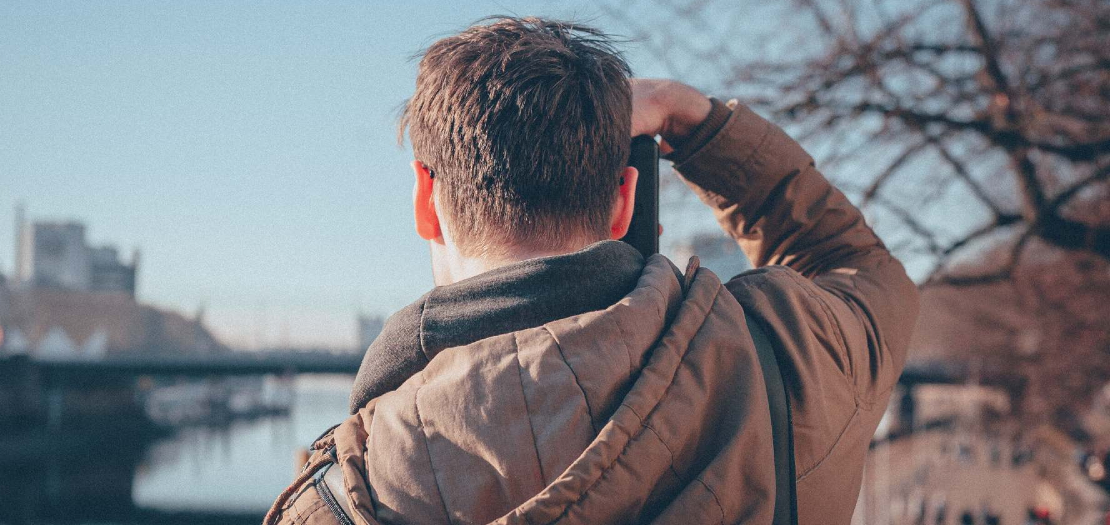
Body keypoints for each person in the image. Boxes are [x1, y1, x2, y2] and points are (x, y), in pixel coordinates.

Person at [266, 16, 918, 525]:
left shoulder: (341, 499)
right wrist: (692, 118)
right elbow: (857, 265)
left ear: (424, 201)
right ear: (626, 201)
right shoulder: (781, 357)